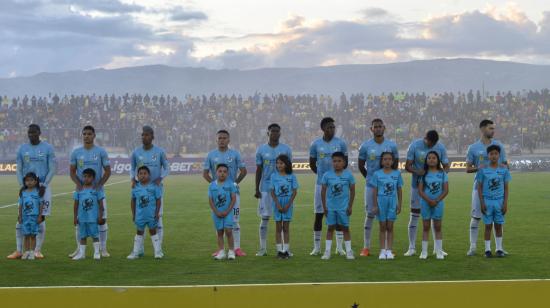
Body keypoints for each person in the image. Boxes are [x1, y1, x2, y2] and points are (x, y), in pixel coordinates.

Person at [7, 124, 56, 260]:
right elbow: (18, 169)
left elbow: (53, 168)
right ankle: (18, 251)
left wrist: (44, 185)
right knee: (21, 218)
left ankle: (37, 250)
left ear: (39, 133)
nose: (31, 135)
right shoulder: (22, 149)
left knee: (40, 218)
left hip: (42, 188)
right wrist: (22, 185)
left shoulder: (48, 148)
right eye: (29, 132)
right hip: (26, 188)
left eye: (34, 132)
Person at [466, 119, 508, 256]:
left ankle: (499, 248)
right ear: (483, 129)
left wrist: (504, 168)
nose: (493, 131)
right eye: (491, 128)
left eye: (493, 128)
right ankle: (472, 247)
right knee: (476, 216)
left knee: (498, 218)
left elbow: (506, 165)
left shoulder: (499, 146)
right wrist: (480, 167)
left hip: (497, 190)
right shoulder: (473, 148)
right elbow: (468, 168)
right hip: (479, 187)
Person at [404, 130, 449, 257]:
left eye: (433, 143)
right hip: (417, 186)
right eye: (429, 143)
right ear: (425, 138)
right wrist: (419, 173)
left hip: (435, 190)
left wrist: (439, 177)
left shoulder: (440, 147)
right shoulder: (415, 145)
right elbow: (407, 166)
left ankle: (437, 248)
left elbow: (446, 166)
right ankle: (411, 247)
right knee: (415, 215)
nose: (431, 146)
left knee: (436, 218)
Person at [357, 118, 398, 257]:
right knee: (370, 214)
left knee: (387, 217)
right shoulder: (365, 146)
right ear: (371, 129)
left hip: (388, 187)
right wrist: (370, 179)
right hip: (371, 186)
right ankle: (366, 247)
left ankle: (387, 248)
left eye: (380, 126)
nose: (378, 128)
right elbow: (361, 165)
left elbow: (395, 165)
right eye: (376, 126)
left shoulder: (391, 145)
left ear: (384, 128)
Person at [69, 125, 111, 258]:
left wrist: (99, 185)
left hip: (97, 193)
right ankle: (79, 249)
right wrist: (78, 184)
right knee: (81, 221)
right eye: (84, 134)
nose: (86, 136)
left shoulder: (101, 152)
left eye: (89, 134)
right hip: (81, 192)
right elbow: (72, 171)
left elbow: (108, 171)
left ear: (94, 136)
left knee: (102, 219)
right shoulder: (76, 153)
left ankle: (103, 249)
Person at [203, 130, 247, 257]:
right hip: (218, 196)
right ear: (216, 140)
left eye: (224, 138)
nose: (222, 140)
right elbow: (205, 173)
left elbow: (243, 171)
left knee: (235, 220)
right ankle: (220, 249)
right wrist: (215, 186)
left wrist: (235, 183)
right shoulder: (211, 155)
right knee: (219, 222)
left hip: (233, 194)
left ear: (229, 140)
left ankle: (237, 248)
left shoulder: (234, 154)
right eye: (220, 138)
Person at [309, 117, 348, 256]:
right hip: (321, 184)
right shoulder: (315, 144)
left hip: (337, 186)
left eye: (333, 127)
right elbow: (312, 164)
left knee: (337, 215)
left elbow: (345, 163)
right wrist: (323, 177)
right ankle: (317, 247)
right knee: (319, 215)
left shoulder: (341, 144)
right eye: (329, 127)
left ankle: (339, 247)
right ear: (323, 128)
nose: (332, 130)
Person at [130, 126, 169, 256]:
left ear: (152, 137)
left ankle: (158, 249)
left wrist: (160, 178)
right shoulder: (136, 152)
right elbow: (132, 168)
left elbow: (167, 168)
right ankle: (139, 250)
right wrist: (132, 178)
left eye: (147, 135)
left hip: (156, 190)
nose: (144, 137)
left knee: (157, 220)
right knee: (141, 220)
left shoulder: (159, 152)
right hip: (141, 190)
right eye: (142, 135)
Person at [255, 123, 292, 256]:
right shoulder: (261, 149)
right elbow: (259, 170)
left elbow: (289, 170)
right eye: (272, 131)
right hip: (265, 188)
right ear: (268, 133)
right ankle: (263, 248)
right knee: (265, 218)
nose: (275, 133)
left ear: (280, 133)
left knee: (283, 220)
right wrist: (257, 188)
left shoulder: (286, 149)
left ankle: (285, 249)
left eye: (277, 131)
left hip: (282, 190)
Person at [475, 145, 511, 258]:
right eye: (491, 154)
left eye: (496, 154)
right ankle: (487, 250)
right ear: (488, 156)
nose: (494, 156)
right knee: (488, 226)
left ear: (499, 155)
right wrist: (482, 202)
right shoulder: (482, 170)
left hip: (499, 201)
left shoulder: (504, 169)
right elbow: (479, 187)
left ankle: (499, 249)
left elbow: (506, 187)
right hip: (487, 201)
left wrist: (505, 203)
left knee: (499, 226)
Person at [320, 152, 355, 260]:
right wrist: (324, 207)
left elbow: (353, 190)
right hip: (331, 207)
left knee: (345, 228)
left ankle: (349, 251)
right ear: (332, 162)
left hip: (343, 208)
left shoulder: (348, 175)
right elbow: (323, 191)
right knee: (330, 228)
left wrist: (350, 206)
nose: (336, 163)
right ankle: (327, 252)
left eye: (339, 161)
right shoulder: (327, 175)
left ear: (344, 162)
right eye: (334, 161)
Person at [370, 152, 403, 260]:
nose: (387, 161)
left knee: (390, 226)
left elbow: (399, 189)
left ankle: (389, 251)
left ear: (393, 161)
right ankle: (382, 251)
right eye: (385, 159)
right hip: (381, 202)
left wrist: (400, 204)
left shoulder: (397, 174)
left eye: (389, 159)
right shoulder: (377, 174)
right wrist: (375, 205)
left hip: (392, 202)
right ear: (381, 161)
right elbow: (374, 190)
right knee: (382, 226)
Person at [418, 151, 449, 260]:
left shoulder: (443, 173)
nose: (431, 159)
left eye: (434, 158)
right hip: (425, 203)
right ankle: (424, 252)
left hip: (438, 203)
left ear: (438, 160)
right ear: (426, 160)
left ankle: (439, 252)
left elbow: (446, 190)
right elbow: (420, 191)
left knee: (438, 227)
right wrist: (429, 200)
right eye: (429, 158)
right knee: (426, 227)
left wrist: (436, 200)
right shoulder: (423, 174)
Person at [127, 166, 163, 259]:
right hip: (140, 215)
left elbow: (158, 200)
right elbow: (133, 201)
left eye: (145, 173)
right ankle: (135, 253)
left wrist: (157, 213)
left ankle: (158, 252)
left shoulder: (154, 186)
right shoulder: (135, 187)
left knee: (153, 232)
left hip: (151, 215)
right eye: (140, 174)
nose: (143, 175)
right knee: (139, 232)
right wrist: (134, 214)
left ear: (149, 175)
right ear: (137, 176)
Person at [72, 168, 105, 260]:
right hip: (82, 218)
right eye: (85, 176)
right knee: (82, 236)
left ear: (93, 178)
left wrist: (100, 216)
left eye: (89, 177)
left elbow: (101, 205)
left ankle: (97, 252)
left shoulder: (97, 190)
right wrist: (75, 217)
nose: (86, 178)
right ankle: (82, 254)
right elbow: (75, 205)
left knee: (95, 236)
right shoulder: (79, 190)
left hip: (93, 218)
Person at [269, 154, 298, 259]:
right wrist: (277, 204)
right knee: (278, 228)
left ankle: (286, 250)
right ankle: (279, 251)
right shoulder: (274, 176)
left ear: (286, 164)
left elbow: (294, 192)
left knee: (286, 228)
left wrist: (288, 205)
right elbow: (272, 191)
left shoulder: (292, 176)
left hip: (287, 205)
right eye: (277, 163)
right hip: (277, 204)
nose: (279, 165)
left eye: (281, 163)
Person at [208, 164, 237, 260]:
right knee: (219, 232)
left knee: (228, 231)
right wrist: (216, 211)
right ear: (216, 173)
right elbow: (210, 200)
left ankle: (231, 251)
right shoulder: (211, 185)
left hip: (227, 213)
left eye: (225, 171)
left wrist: (227, 211)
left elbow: (233, 199)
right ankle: (221, 251)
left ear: (228, 173)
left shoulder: (231, 184)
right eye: (220, 171)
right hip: (216, 213)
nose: (222, 173)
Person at [18, 172, 44, 260]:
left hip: (34, 217)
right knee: (26, 235)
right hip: (25, 217)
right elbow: (20, 205)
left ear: (36, 181)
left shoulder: (38, 192)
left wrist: (40, 216)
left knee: (33, 235)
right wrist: (20, 216)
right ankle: (26, 252)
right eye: (27, 180)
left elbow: (41, 205)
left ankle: (32, 252)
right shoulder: (23, 193)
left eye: (31, 180)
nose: (29, 182)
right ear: (24, 182)